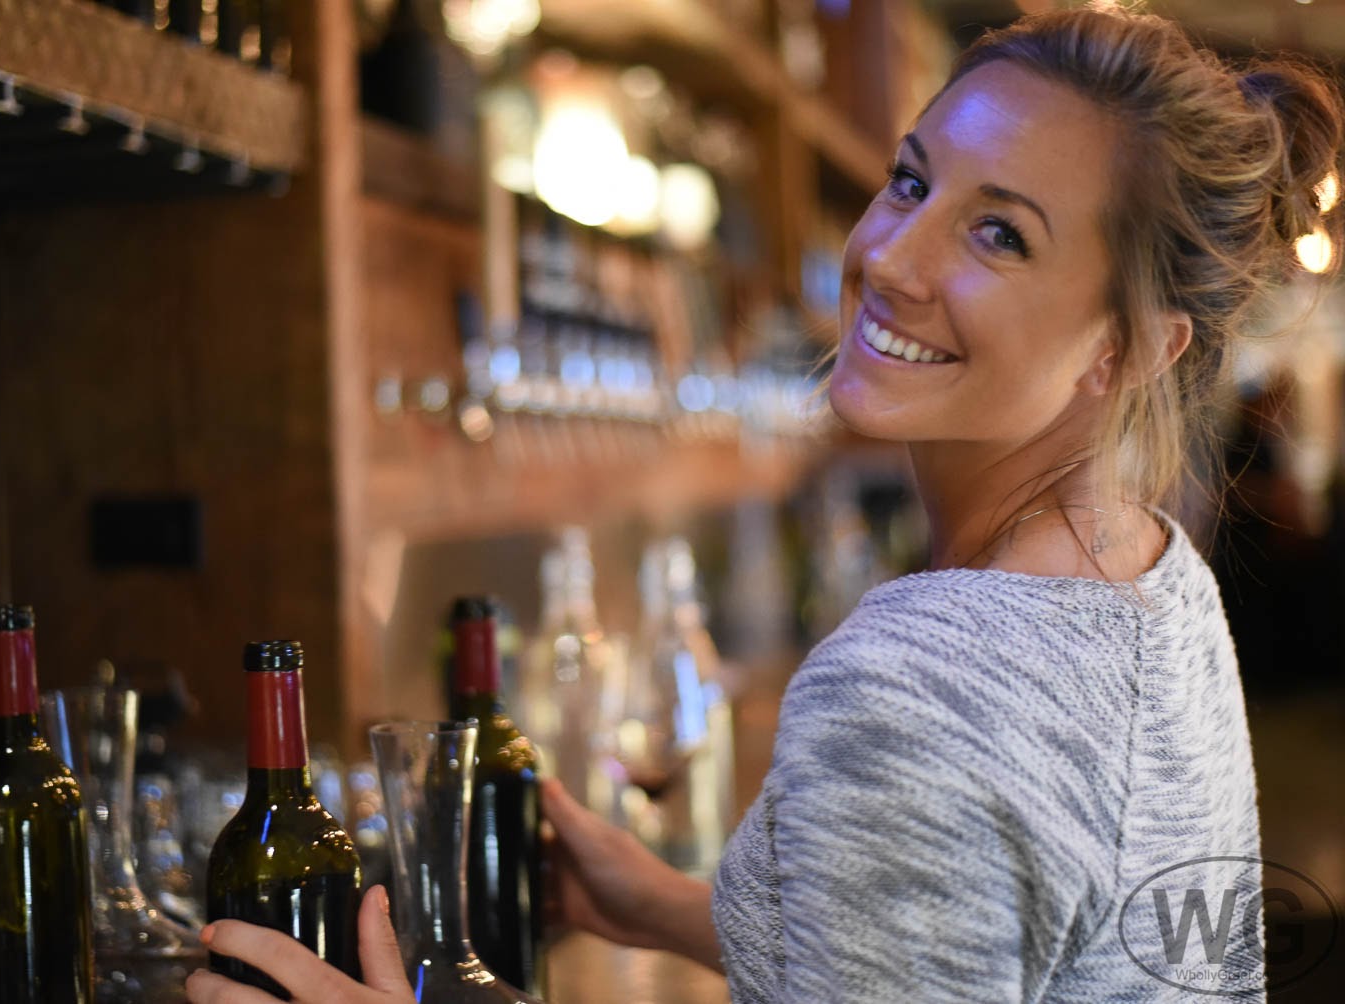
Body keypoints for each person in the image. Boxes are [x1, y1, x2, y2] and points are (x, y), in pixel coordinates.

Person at [186, 6, 1344, 1002]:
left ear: (1129, 346)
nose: (890, 256)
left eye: (998, 234)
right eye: (910, 179)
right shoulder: (1149, 579)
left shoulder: (915, 679)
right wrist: (678, 906)